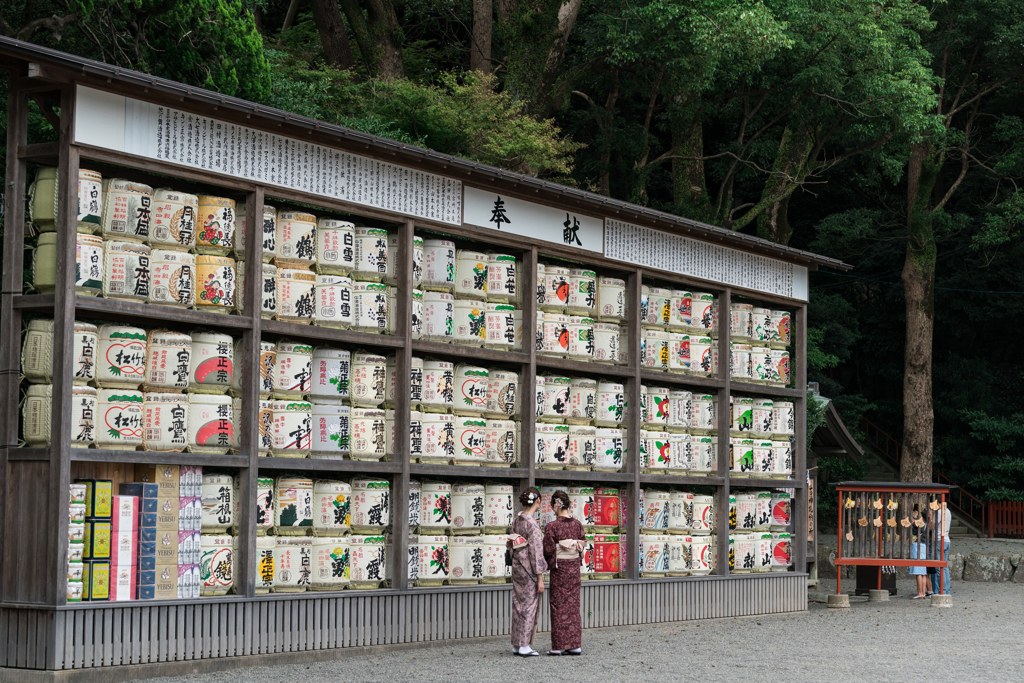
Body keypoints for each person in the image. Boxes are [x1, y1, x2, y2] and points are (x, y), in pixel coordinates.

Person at [542, 490, 586, 656]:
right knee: (573, 606)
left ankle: (557, 646)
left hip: (560, 570)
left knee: (558, 606)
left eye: (552, 506)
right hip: (574, 570)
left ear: (556, 505)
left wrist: (555, 552)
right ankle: (574, 645)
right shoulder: (578, 524)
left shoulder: (552, 526)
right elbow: (582, 543)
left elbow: (547, 549)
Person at [510, 487, 546, 656]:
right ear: (537, 500)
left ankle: (517, 644)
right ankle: (524, 645)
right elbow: (537, 552)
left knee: (518, 604)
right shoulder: (532, 525)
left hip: (517, 565)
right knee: (529, 606)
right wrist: (540, 578)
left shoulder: (517, 520)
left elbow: (511, 542)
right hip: (529, 569)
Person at [909, 505, 930, 599]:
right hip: (924, 545)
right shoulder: (926, 522)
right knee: (923, 571)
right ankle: (923, 593)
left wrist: (913, 516)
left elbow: (911, 524)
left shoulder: (918, 522)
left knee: (918, 571)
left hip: (917, 546)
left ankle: (920, 593)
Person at [931, 501, 951, 595]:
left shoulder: (939, 512)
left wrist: (931, 517)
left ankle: (941, 590)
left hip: (940, 540)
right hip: (947, 539)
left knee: (939, 567)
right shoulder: (948, 511)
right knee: (945, 567)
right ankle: (946, 590)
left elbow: (932, 526)